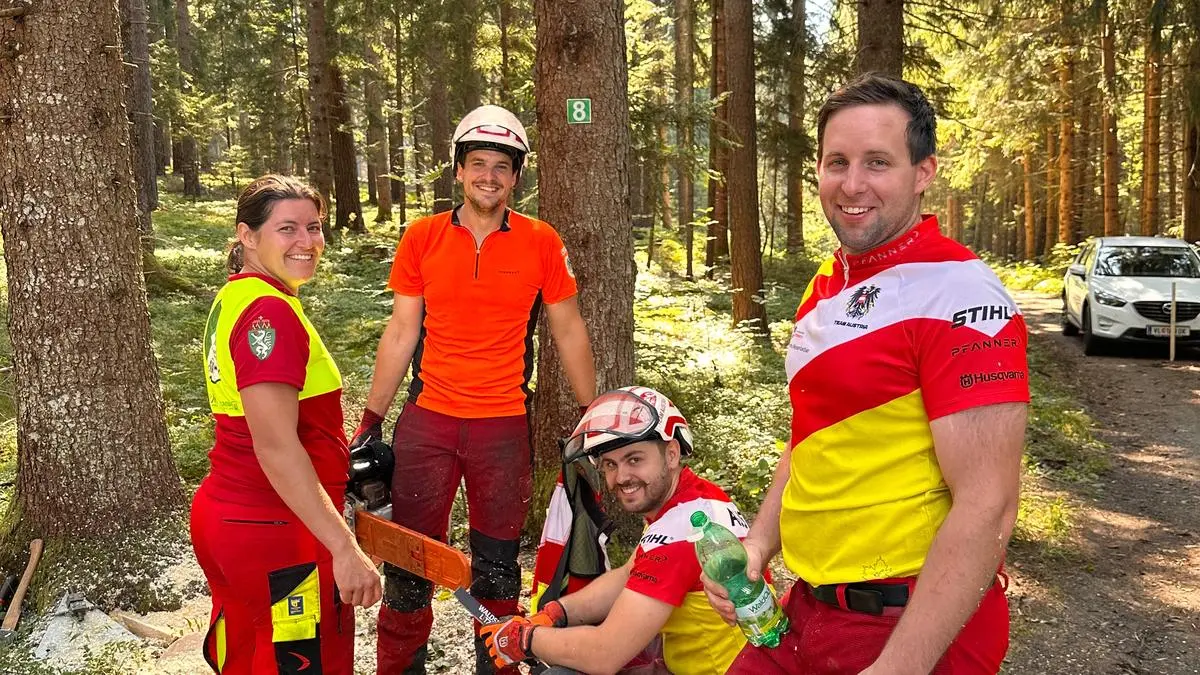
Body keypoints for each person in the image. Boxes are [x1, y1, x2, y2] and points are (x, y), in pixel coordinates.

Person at [704, 74, 1031, 674]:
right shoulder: (827, 284)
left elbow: (989, 506)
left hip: (908, 625)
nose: (852, 184)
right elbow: (811, 436)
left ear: (923, 172)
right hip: (808, 608)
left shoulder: (959, 292)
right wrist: (759, 542)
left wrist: (898, 666)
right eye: (838, 162)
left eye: (877, 162)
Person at [353, 104, 597, 674]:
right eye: (478, 164)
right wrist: (371, 417)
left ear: (516, 177)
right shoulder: (423, 237)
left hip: (502, 427)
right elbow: (401, 331)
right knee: (410, 565)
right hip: (428, 422)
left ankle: (499, 666)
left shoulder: (541, 241)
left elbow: (568, 328)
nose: (489, 176)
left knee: (497, 571)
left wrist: (592, 412)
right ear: (459, 170)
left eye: (501, 167)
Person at [190, 175, 382, 675]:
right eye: (287, 228)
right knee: (305, 663)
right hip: (278, 530)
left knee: (248, 654)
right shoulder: (268, 314)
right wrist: (343, 547)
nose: (307, 241)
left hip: (235, 517)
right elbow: (276, 446)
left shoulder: (238, 295)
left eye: (314, 227)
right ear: (247, 235)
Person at [480, 386, 751, 675]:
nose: (621, 477)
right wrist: (556, 613)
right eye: (610, 464)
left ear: (672, 454)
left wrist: (525, 640)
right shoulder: (694, 501)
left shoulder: (680, 535)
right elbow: (626, 576)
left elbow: (604, 655)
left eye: (635, 459)